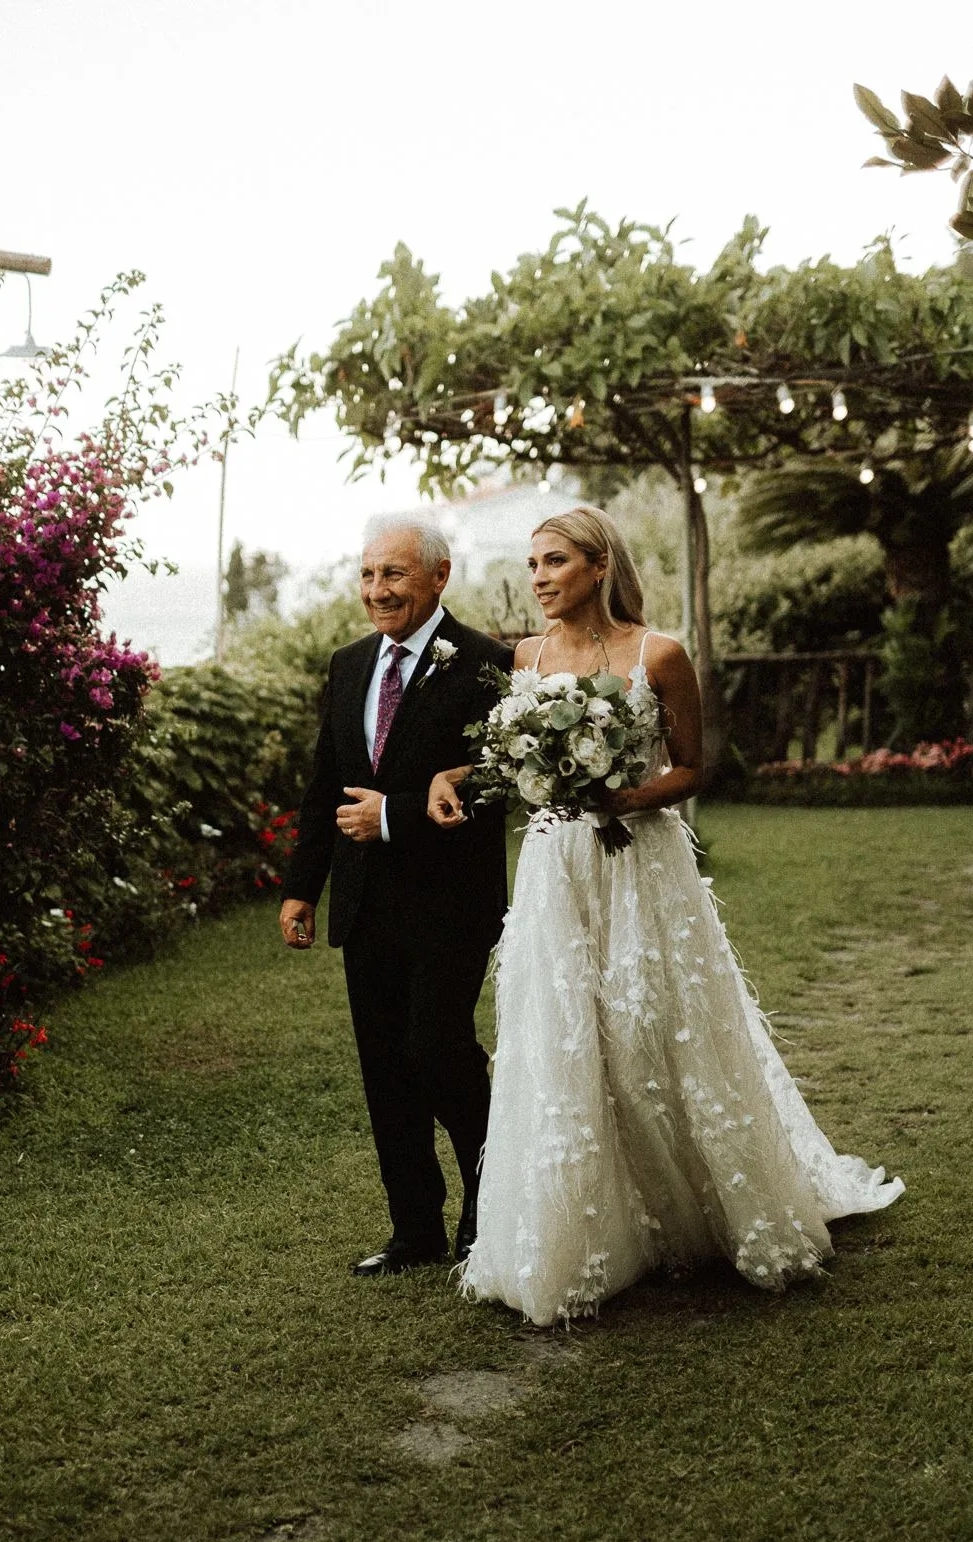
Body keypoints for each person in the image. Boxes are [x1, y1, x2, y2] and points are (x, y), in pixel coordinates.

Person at [427, 506, 903, 1326]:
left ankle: (703, 1207)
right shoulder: (526, 658)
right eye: (531, 564)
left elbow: (691, 766)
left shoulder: (660, 653)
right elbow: (510, 756)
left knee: (652, 1024)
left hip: (639, 863)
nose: (538, 577)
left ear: (597, 565)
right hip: (555, 864)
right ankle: (584, 1229)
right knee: (562, 1030)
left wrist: (627, 795)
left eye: (554, 561)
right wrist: (452, 775)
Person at [280, 520, 512, 1277]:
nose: (377, 590)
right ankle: (414, 1229)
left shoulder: (488, 664)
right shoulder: (349, 665)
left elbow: (498, 785)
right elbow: (324, 785)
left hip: (451, 904)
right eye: (368, 574)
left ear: (438, 576)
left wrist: (392, 814)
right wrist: (299, 889)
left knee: (437, 1050)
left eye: (395, 575)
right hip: (364, 905)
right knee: (386, 1072)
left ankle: (491, 1205)